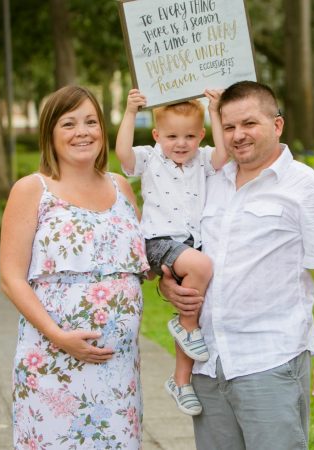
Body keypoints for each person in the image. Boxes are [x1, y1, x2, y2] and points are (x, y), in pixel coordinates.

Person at [159, 80, 314, 450]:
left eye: (249, 124)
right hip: (208, 364)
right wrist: (167, 285)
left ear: (277, 125)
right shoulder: (208, 181)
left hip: (269, 361)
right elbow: (183, 251)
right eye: (228, 127)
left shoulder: (309, 188)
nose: (237, 135)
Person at [0, 85, 149, 449]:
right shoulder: (33, 190)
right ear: (50, 134)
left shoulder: (121, 188)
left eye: (90, 121)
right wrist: (58, 335)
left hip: (118, 367)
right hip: (53, 360)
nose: (82, 132)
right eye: (69, 123)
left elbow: (139, 265)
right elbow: (11, 278)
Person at [115, 88, 227, 416]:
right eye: (172, 136)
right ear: (156, 135)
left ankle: (181, 379)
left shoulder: (203, 160)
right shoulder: (150, 157)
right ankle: (186, 326)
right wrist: (130, 111)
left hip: (190, 244)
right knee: (202, 269)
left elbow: (223, 155)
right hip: (158, 241)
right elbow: (122, 154)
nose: (181, 143)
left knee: (194, 306)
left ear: (201, 135)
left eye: (190, 136)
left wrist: (215, 109)